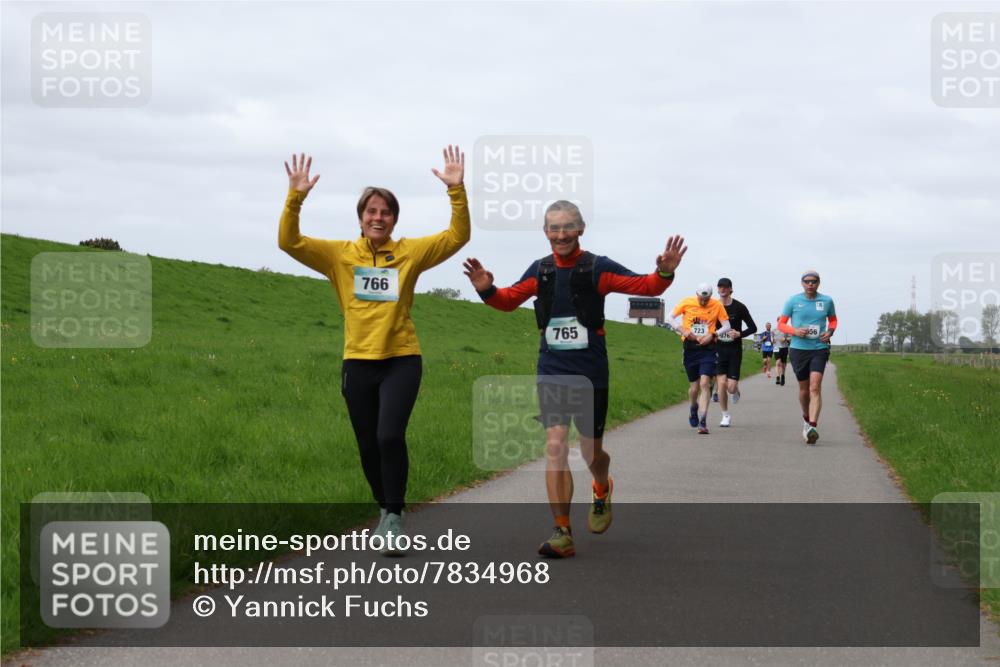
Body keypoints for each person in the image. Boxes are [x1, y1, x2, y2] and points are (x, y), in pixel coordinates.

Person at [463, 201, 686, 558]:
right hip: (551, 368)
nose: (561, 234)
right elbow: (507, 300)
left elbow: (646, 287)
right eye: (554, 227)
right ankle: (561, 531)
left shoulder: (597, 267)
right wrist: (486, 289)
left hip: (591, 372)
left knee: (590, 450)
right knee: (555, 445)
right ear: (545, 232)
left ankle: (601, 485)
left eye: (568, 227)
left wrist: (664, 273)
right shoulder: (542, 270)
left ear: (581, 229)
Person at [278, 147, 469, 553]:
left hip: (401, 358)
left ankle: (396, 517)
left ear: (394, 219)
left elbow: (457, 236)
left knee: (388, 436)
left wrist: (457, 191)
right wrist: (295, 198)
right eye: (371, 212)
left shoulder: (410, 253)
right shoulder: (339, 256)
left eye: (385, 212)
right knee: (367, 443)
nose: (378, 218)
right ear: (361, 218)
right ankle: (384, 511)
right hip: (357, 363)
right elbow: (289, 242)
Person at [777, 270, 837, 444]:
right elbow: (781, 324)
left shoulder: (827, 301)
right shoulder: (793, 301)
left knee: (815, 387)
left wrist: (830, 331)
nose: (810, 284)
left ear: (819, 283)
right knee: (804, 391)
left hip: (819, 348)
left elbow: (833, 320)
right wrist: (794, 331)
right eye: (807, 281)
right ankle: (806, 418)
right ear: (802, 283)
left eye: (814, 281)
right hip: (798, 349)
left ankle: (812, 426)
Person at [671, 285, 731, 435]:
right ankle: (693, 408)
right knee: (694, 388)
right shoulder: (687, 302)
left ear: (710, 296)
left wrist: (713, 334)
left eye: (706, 299)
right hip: (690, 348)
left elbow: (727, 325)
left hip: (708, 348)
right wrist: (682, 329)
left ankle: (703, 421)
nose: (703, 301)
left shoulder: (717, 305)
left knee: (705, 383)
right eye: (701, 299)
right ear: (696, 294)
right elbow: (669, 318)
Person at [714, 278, 757, 427]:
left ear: (731, 289)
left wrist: (740, 334)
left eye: (726, 287)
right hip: (718, 349)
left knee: (730, 387)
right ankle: (725, 415)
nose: (723, 289)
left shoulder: (739, 307)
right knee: (721, 384)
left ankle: (736, 391)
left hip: (734, 350)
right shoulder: (713, 306)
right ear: (718, 289)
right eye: (720, 286)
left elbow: (753, 327)